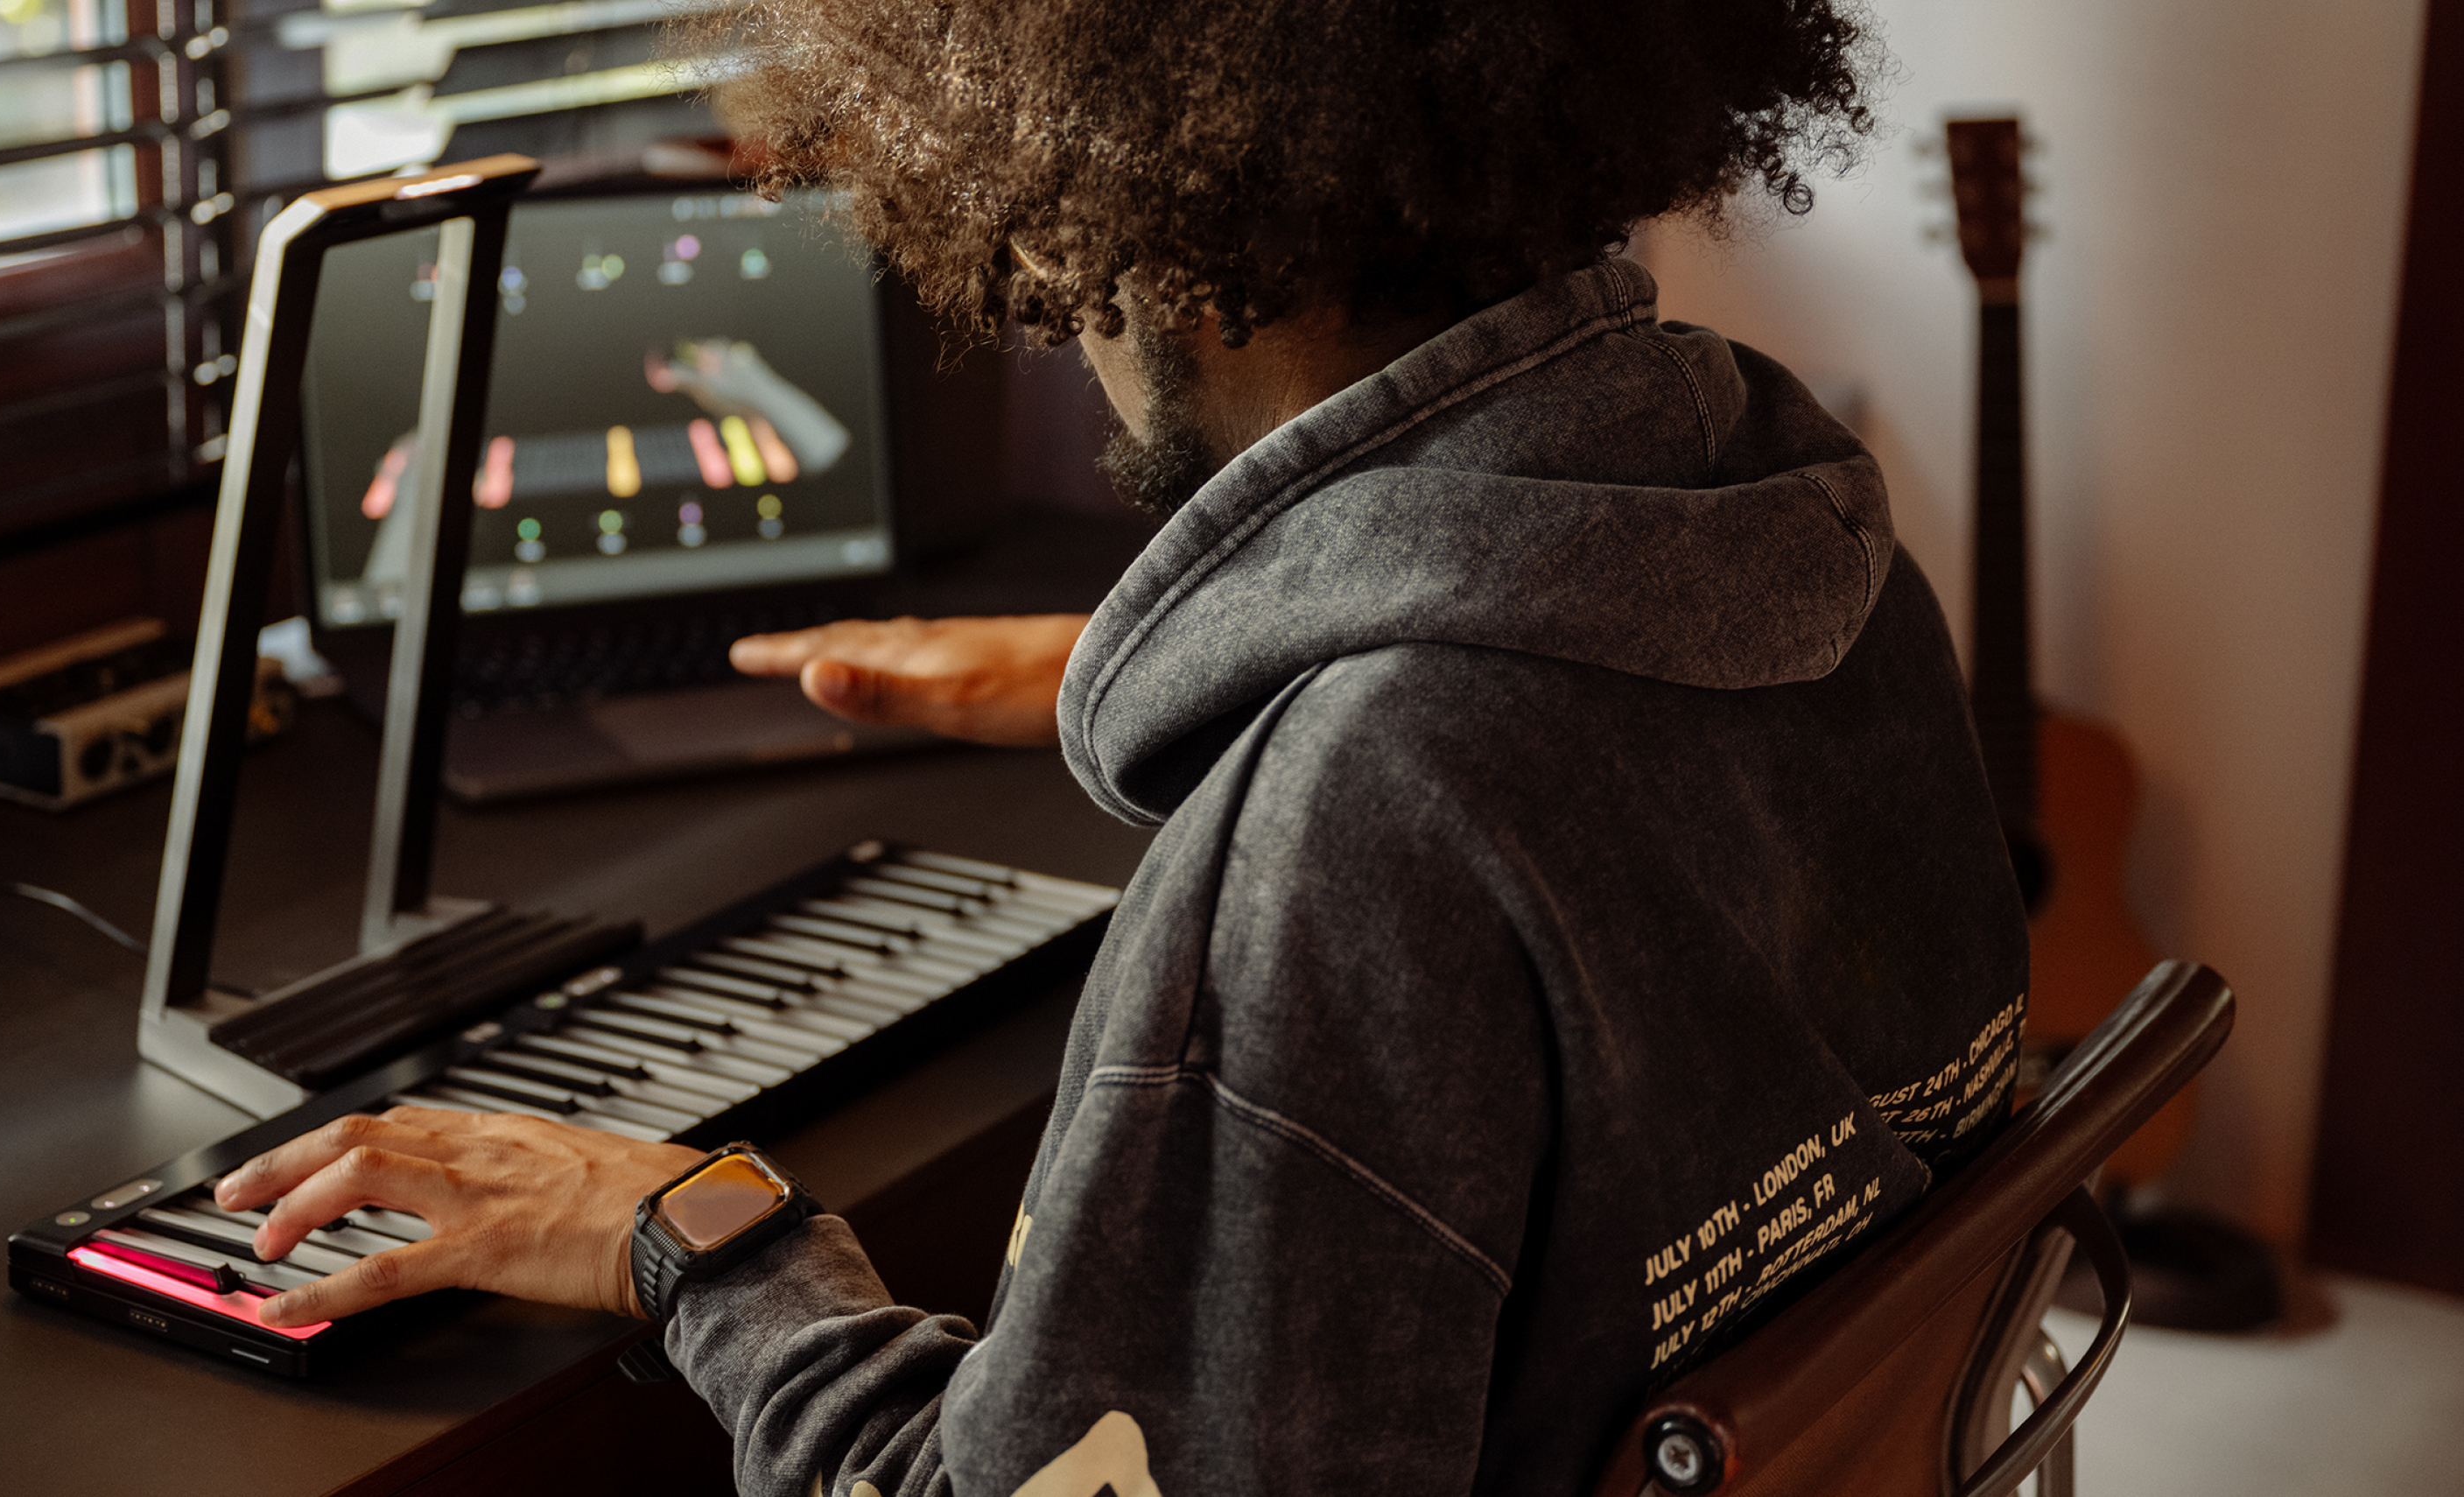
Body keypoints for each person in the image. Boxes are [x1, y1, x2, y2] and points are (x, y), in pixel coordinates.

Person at [212, 1, 2033, 1490]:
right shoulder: (1821, 559)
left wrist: (695, 1235)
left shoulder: (1359, 825)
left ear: (1135, 215)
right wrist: (1224, 664)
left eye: (1057, 273)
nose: (1065, 325)